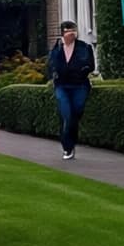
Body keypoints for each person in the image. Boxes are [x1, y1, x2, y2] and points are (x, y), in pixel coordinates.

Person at [47, 20, 95, 160]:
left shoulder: (84, 47)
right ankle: (67, 147)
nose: (71, 34)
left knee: (76, 113)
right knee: (66, 114)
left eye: (73, 31)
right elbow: (51, 65)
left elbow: (90, 65)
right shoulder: (57, 48)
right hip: (62, 85)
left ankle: (71, 140)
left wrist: (82, 71)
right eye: (68, 32)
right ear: (63, 33)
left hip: (79, 85)